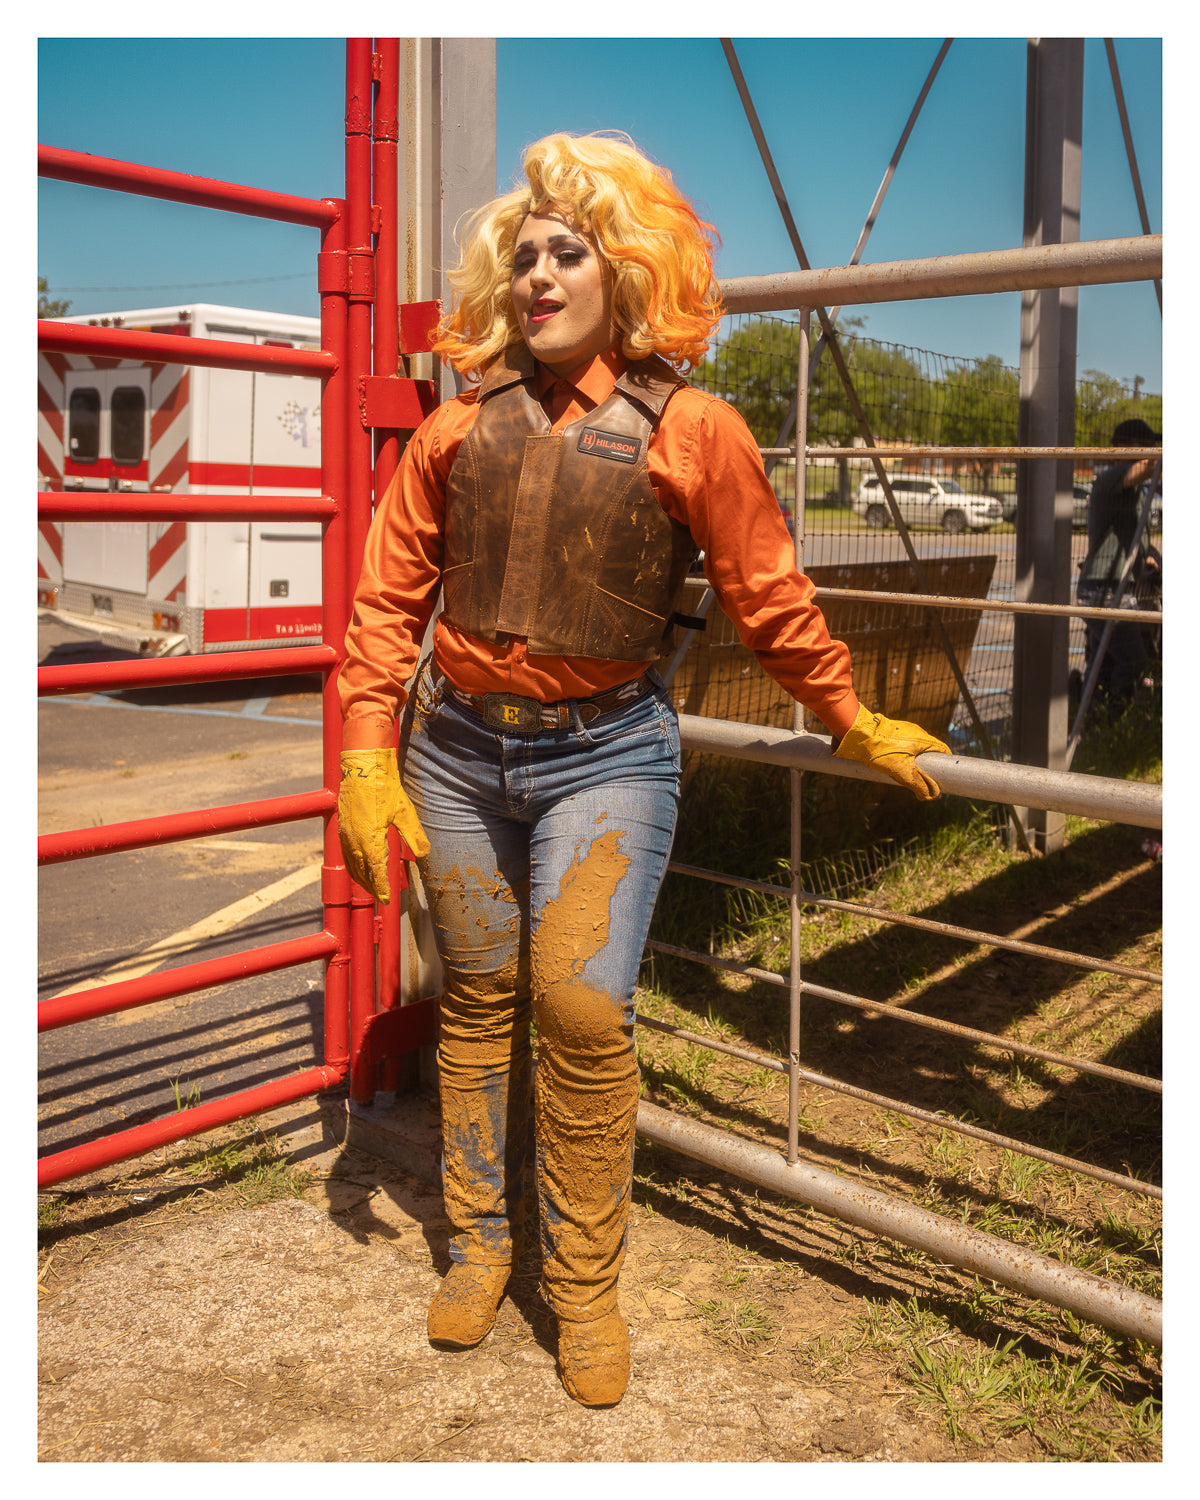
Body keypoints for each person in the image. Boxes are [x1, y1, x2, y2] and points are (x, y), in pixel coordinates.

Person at [336, 131, 948, 1408]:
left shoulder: (694, 429)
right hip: (455, 754)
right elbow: (388, 603)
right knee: (478, 994)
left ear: (626, 268)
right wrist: (361, 752)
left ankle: (585, 1285)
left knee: (579, 1006)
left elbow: (769, 592)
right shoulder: (457, 427)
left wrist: (848, 714)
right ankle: (480, 1246)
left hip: (606, 755)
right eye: (523, 258)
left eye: (570, 253)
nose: (540, 277)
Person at [1077, 416, 1162, 702]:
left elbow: (1130, 529)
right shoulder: (1111, 477)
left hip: (1117, 587)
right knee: (1134, 662)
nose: (1153, 452)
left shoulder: (1135, 489)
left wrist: (1148, 556)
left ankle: (1092, 724)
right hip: (1104, 588)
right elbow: (1145, 468)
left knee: (1102, 665)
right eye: (1147, 446)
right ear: (1125, 447)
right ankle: (1115, 716)